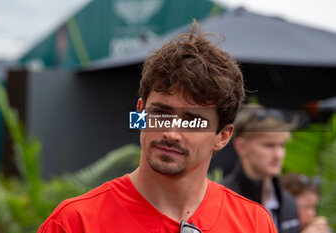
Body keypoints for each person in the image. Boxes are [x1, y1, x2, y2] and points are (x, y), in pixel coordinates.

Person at [38, 21, 277, 233]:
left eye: (193, 120)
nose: (171, 133)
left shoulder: (254, 224)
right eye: (160, 113)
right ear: (141, 112)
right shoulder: (74, 223)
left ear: (222, 136)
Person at [222, 104, 300, 233]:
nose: (278, 155)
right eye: (269, 145)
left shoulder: (288, 202)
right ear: (241, 146)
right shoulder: (221, 201)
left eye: (282, 145)